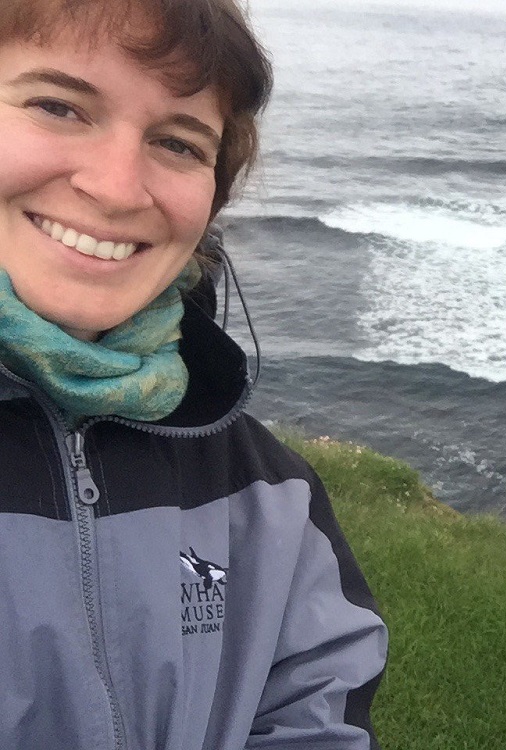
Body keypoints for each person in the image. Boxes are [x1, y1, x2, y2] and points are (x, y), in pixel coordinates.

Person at [0, 1, 388, 748]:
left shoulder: (268, 494)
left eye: (178, 143)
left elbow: (316, 701)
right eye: (58, 106)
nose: (118, 189)